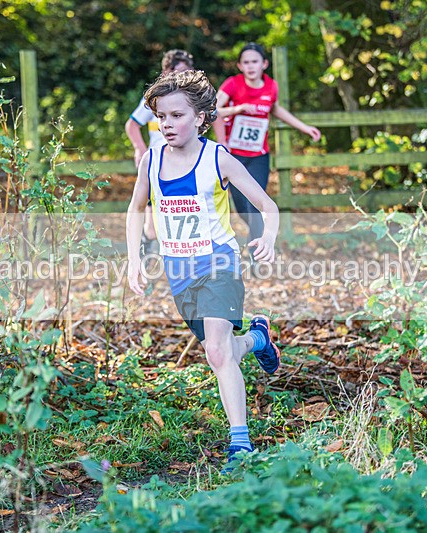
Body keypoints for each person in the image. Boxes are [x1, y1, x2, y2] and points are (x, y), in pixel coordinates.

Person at [126, 69, 282, 473]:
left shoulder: (218, 158)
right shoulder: (151, 160)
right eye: (161, 116)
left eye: (177, 115)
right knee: (223, 350)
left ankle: (240, 444)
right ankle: (258, 339)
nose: (167, 124)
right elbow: (136, 208)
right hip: (179, 271)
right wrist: (134, 258)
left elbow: (267, 206)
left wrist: (268, 237)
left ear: (200, 118)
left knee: (216, 351)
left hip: (219, 263)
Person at [213, 42, 321, 246]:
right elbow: (213, 110)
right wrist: (238, 109)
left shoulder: (271, 86)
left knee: (255, 204)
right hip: (234, 156)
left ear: (264, 64)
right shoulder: (233, 84)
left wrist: (304, 127)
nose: (250, 66)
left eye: (254, 61)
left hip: (258, 156)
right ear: (240, 66)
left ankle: (257, 254)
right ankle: (259, 239)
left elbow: (276, 109)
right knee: (242, 209)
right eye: (246, 62)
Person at [125, 49, 195, 254]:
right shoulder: (155, 99)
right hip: (158, 165)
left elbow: (213, 115)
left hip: (185, 164)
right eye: (176, 72)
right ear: (165, 73)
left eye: (185, 72)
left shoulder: (194, 99)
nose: (180, 77)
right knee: (152, 227)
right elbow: (132, 125)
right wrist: (140, 149)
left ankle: (179, 257)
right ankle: (144, 253)